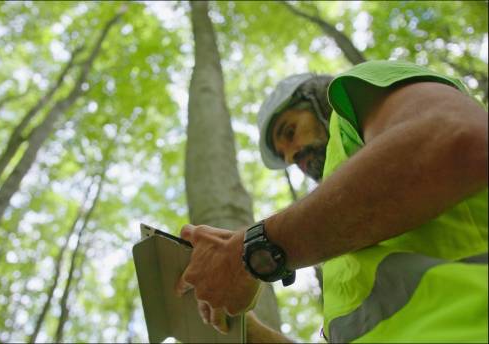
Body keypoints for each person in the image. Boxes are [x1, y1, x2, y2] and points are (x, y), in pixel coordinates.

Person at [176, 60, 488, 342]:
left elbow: (456, 137)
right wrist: (246, 332)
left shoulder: (356, 91)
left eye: (290, 131)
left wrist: (254, 252)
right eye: (285, 156)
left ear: (319, 100)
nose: (292, 155)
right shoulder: (338, 250)